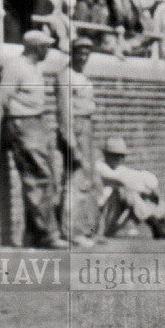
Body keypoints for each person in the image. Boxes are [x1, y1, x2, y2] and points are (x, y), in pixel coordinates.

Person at [0, 29, 62, 248]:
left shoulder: (34, 68)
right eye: (46, 47)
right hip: (22, 123)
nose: (48, 51)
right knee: (37, 176)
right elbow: (1, 99)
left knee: (47, 176)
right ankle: (46, 234)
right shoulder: (17, 67)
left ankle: (36, 233)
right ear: (36, 47)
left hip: (37, 122)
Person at [95, 137, 165, 240]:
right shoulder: (100, 167)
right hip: (103, 219)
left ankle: (164, 225)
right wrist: (142, 189)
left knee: (141, 192)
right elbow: (120, 181)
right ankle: (157, 227)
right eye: (115, 155)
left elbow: (145, 177)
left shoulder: (121, 169)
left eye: (122, 156)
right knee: (127, 191)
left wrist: (150, 191)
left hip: (116, 216)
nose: (120, 159)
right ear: (106, 155)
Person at [56, 38, 98, 247]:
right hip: (76, 130)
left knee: (86, 181)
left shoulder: (82, 76)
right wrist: (71, 142)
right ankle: (70, 231)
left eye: (86, 53)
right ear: (71, 53)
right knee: (75, 180)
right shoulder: (66, 76)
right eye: (79, 53)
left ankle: (83, 228)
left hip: (86, 128)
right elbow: (65, 113)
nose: (83, 57)